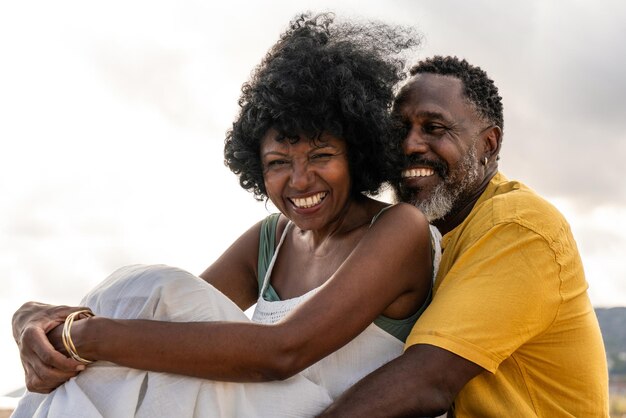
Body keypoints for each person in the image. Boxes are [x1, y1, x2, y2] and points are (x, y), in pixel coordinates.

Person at [11, 13, 436, 418]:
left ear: (358, 154)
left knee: (154, 288)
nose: (300, 180)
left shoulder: (399, 228)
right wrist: (33, 318)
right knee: (142, 315)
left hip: (323, 410)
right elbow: (166, 329)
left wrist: (86, 336)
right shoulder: (271, 239)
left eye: (321, 156)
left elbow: (282, 352)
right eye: (277, 163)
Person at [319, 56, 609, 417]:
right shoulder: (418, 238)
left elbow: (429, 380)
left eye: (434, 128)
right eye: (399, 130)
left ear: (489, 144)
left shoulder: (519, 225)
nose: (410, 145)